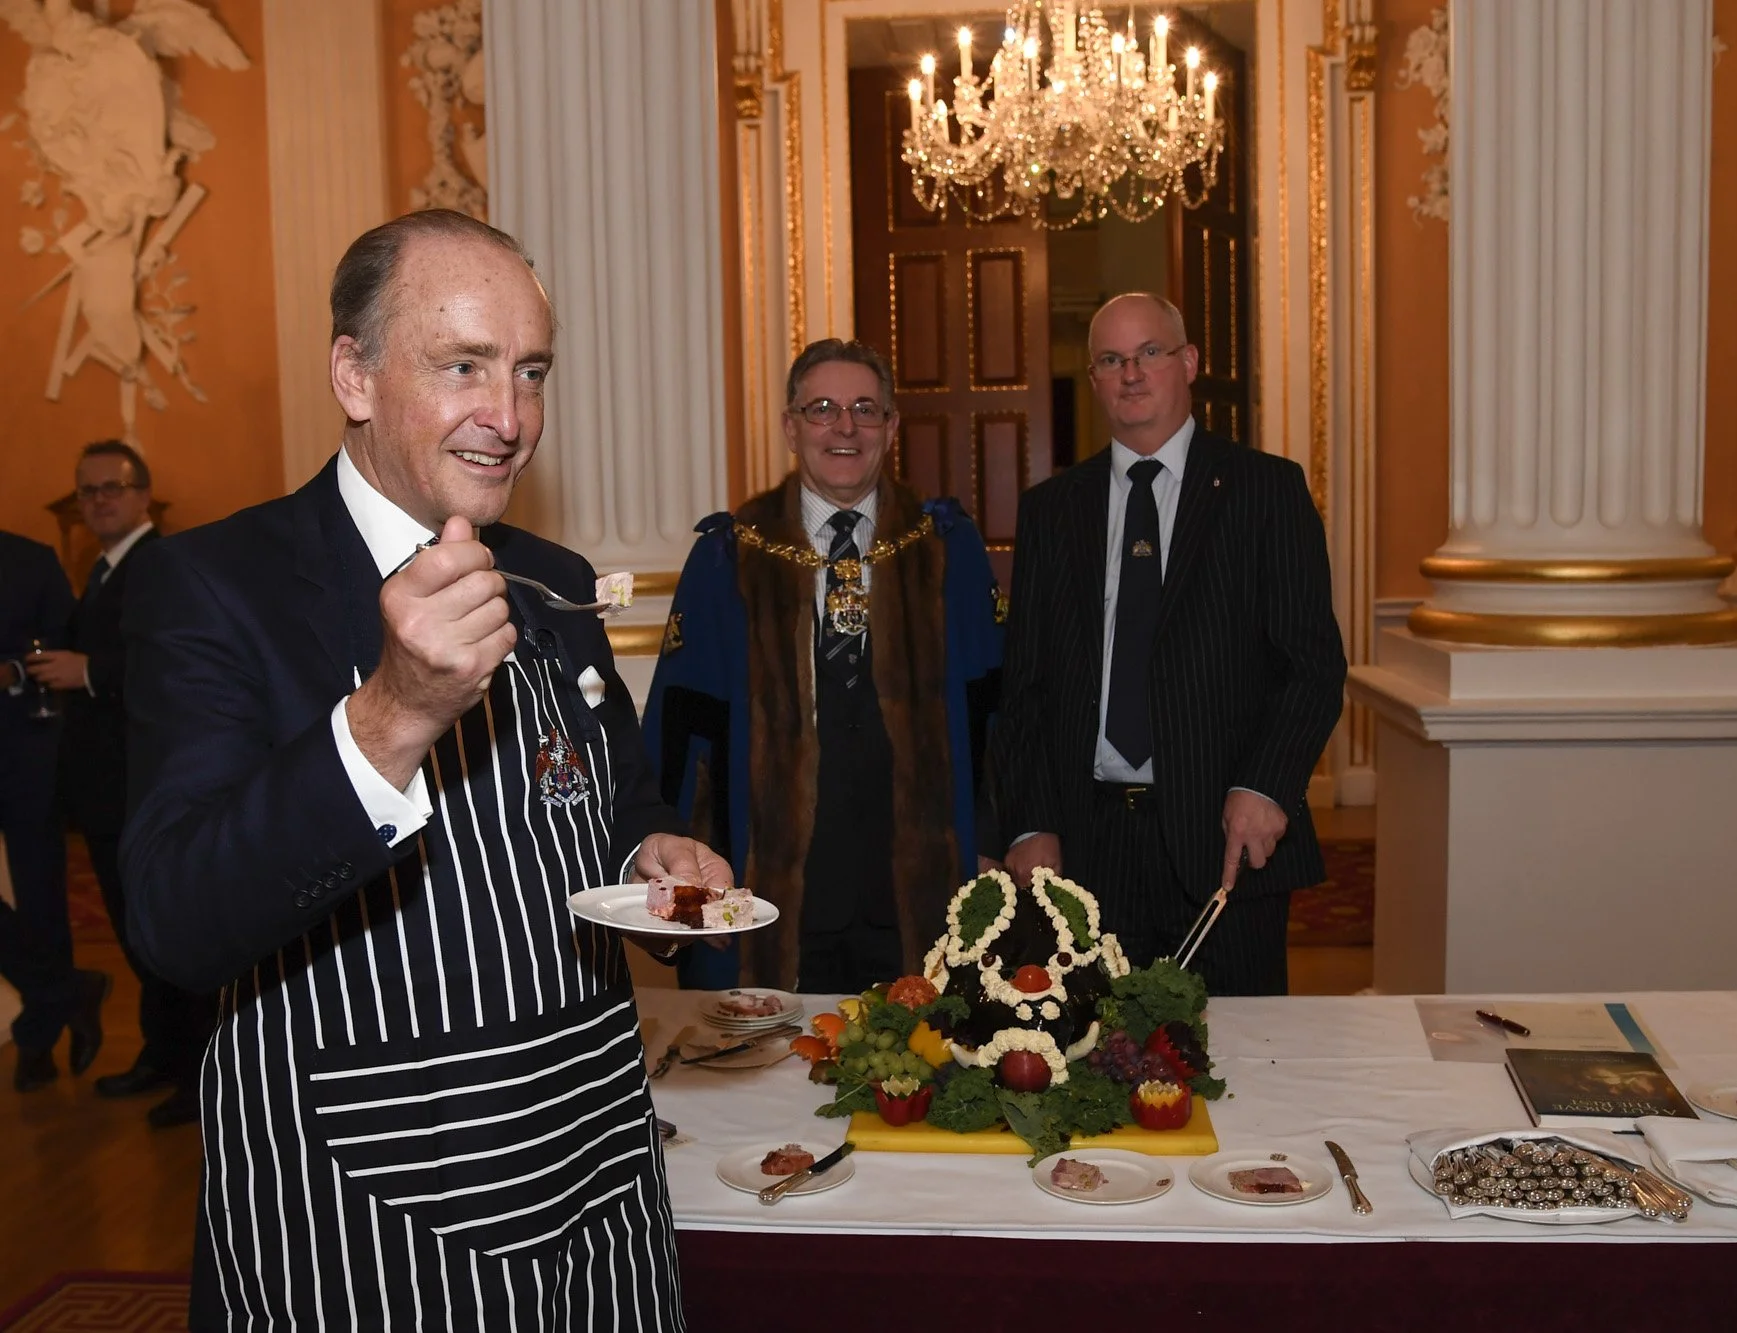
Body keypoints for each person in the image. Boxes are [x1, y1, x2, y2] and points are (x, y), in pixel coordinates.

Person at [120, 210, 727, 1330]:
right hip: (363, 1212)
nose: (509, 418)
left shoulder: (552, 577)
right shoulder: (211, 588)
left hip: (599, 1177)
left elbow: (607, 794)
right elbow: (173, 920)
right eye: (463, 366)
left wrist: (651, 849)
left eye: (529, 370)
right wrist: (396, 711)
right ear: (353, 374)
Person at [993, 292, 1346, 997]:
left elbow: (1313, 664)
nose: (1131, 373)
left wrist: (1267, 783)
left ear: (1187, 362)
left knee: (1236, 1064)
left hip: (1224, 840)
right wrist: (1029, 822)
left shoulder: (1265, 491)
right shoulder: (1052, 510)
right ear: (1093, 379)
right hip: (1087, 851)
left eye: (1149, 352)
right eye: (1111, 359)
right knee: (1092, 1067)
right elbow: (1024, 687)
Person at [643, 339, 1005, 994]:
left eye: (865, 409)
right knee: (759, 1084)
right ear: (790, 425)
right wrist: (682, 899)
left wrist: (993, 844)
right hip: (766, 891)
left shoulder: (948, 551)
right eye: (823, 409)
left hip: (922, 895)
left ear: (892, 426)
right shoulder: (730, 556)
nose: (845, 427)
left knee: (918, 1079)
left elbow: (994, 714)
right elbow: (681, 734)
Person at [25, 441, 206, 1127]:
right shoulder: (103, 568)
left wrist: (90, 672)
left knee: (160, 931)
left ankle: (196, 1070)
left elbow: (170, 660)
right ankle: (162, 1054)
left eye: (111, 487)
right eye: (87, 491)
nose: (98, 500)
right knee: (136, 933)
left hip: (139, 781)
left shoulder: (160, 561)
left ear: (141, 494)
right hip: (103, 783)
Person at [0, 530, 108, 1091]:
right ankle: (63, 990)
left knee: (38, 890)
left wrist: (14, 671)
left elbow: (63, 646)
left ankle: (39, 1038)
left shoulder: (28, 558)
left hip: (24, 745)